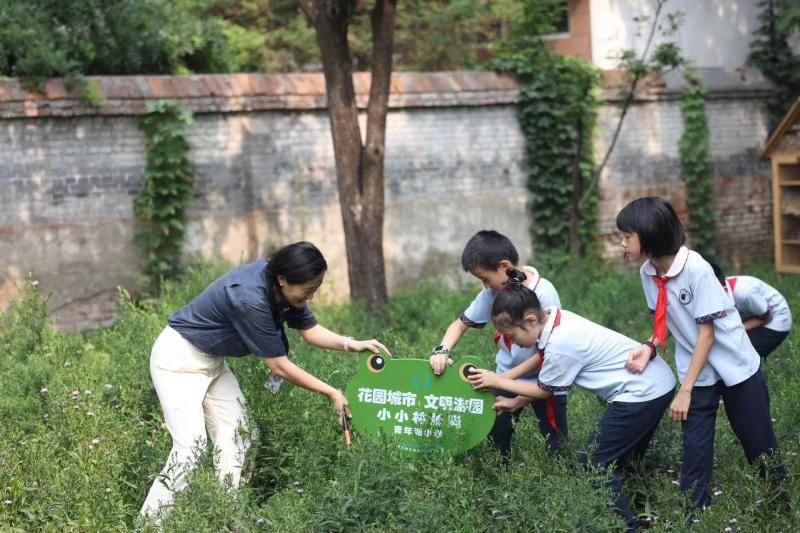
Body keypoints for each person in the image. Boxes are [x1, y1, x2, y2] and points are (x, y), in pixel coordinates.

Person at [140, 241, 391, 519]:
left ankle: (226, 515)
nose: (311, 297)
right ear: (283, 279)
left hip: (211, 360)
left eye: (315, 289)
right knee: (190, 450)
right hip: (179, 360)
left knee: (240, 435)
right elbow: (279, 366)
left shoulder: (282, 285)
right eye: (308, 291)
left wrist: (351, 344)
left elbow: (309, 330)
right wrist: (331, 392)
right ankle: (150, 524)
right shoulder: (249, 297)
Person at [616, 197, 787, 511]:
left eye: (627, 236)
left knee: (760, 447)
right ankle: (694, 517)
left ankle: (782, 509)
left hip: (735, 367)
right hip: (696, 369)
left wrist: (684, 391)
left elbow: (706, 334)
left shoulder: (696, 269)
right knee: (694, 452)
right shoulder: (647, 272)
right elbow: (663, 318)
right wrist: (649, 347)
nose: (622, 243)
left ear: (649, 235)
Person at [468, 277, 675, 532]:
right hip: (656, 384)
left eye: (512, 336)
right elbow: (549, 382)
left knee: (594, 462)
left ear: (531, 321)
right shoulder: (555, 319)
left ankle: (625, 526)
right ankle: (645, 512)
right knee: (623, 460)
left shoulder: (560, 343)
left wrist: (498, 380)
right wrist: (516, 402)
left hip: (641, 393)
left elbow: (544, 391)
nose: (512, 343)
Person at [428, 230, 566, 456]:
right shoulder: (492, 293)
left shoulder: (544, 293)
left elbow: (550, 351)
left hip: (546, 380)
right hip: (506, 378)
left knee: (557, 447)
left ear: (504, 266)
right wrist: (441, 350)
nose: (486, 286)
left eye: (485, 278)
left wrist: (502, 379)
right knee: (496, 444)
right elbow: (459, 324)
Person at [708, 262, 792, 359]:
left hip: (776, 318)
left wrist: (737, 329)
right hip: (754, 314)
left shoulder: (744, 294)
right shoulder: (717, 289)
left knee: (746, 356)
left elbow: (767, 318)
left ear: (724, 290)